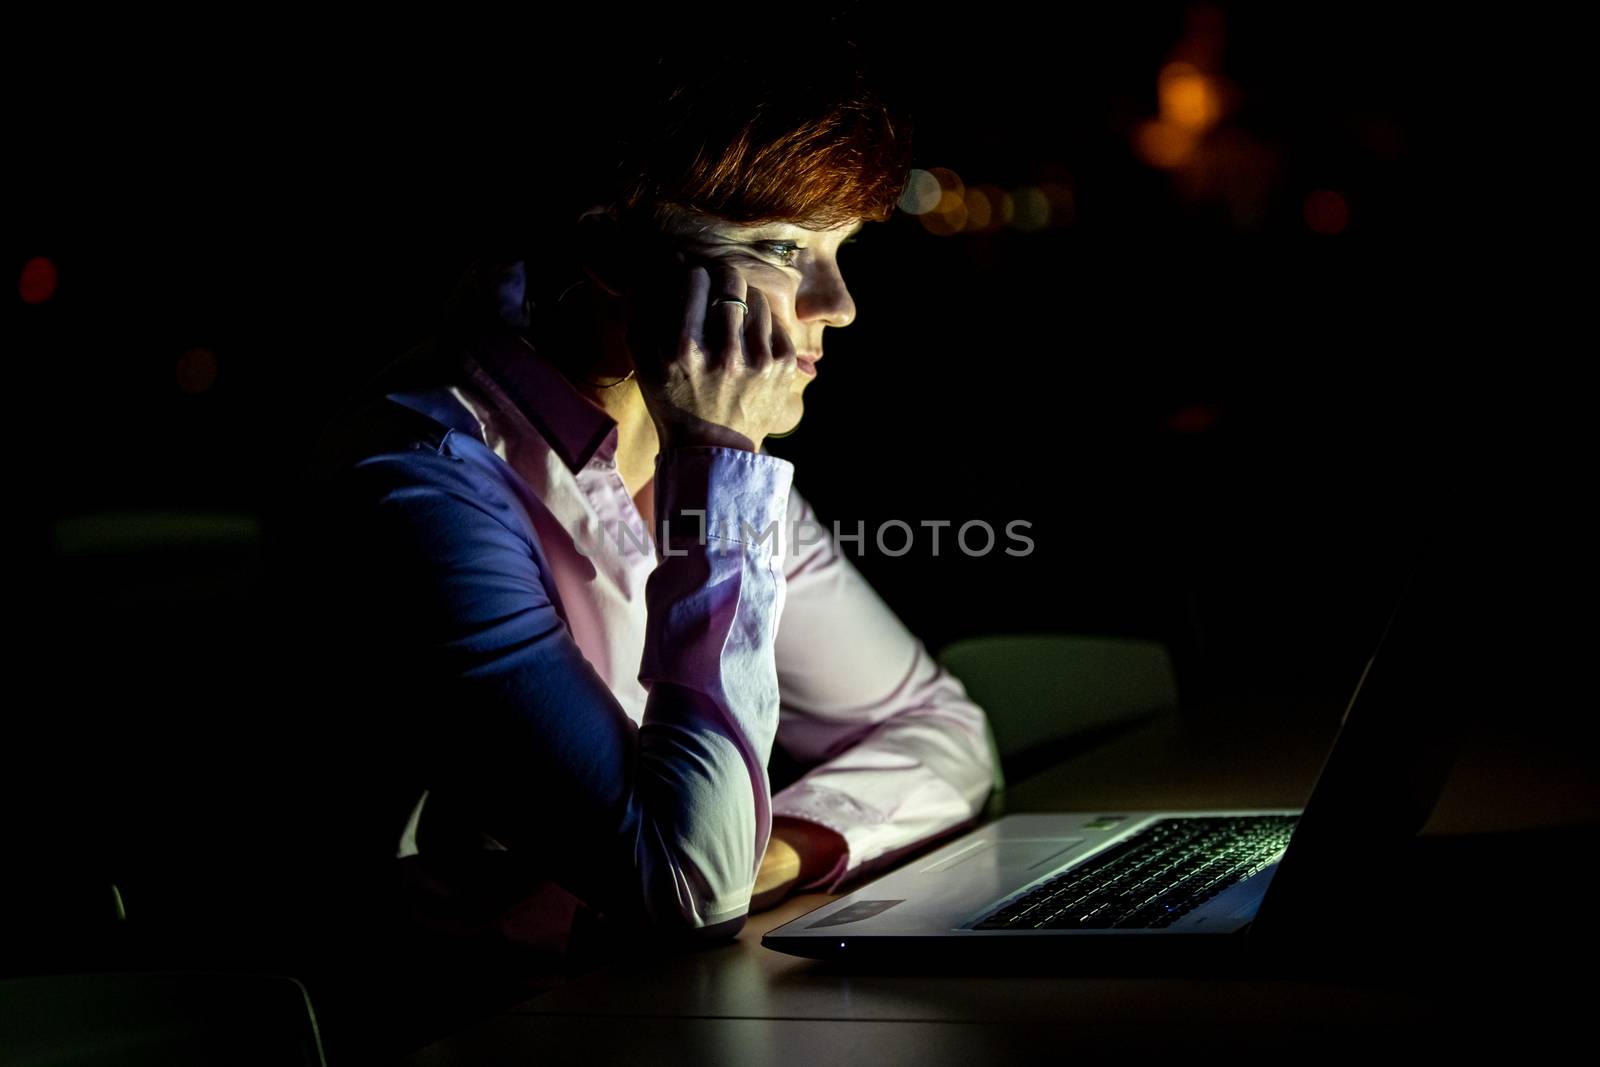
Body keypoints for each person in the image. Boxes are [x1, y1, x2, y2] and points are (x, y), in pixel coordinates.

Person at [291, 25, 995, 1057]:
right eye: (781, 251)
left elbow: (945, 734)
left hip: (641, 1009)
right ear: (612, 256)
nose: (836, 306)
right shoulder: (424, 481)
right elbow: (684, 883)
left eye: (838, 252)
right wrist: (721, 454)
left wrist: (775, 847)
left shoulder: (680, 448)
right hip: (450, 1030)